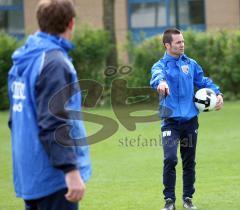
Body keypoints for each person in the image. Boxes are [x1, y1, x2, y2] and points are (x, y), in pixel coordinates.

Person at [8, 0, 91, 210]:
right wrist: (71, 171)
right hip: (54, 177)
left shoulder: (23, 60)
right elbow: (54, 121)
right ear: (71, 23)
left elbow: (14, 120)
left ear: (40, 22)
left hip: (30, 174)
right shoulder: (54, 62)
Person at [150, 28, 223, 210]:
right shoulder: (160, 66)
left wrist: (217, 92)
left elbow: (203, 81)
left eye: (183, 41)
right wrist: (161, 82)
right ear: (167, 45)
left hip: (190, 122)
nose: (182, 45)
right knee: (170, 159)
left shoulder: (190, 64)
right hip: (170, 122)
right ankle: (169, 201)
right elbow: (157, 77)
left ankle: (188, 198)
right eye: (178, 42)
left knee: (189, 161)